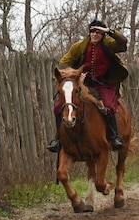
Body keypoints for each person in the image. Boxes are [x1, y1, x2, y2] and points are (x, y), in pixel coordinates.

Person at [47, 19, 129, 152]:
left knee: (108, 106)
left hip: (104, 83)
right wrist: (75, 75)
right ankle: (58, 140)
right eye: (92, 32)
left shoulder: (108, 44)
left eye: (98, 32)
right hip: (82, 83)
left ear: (102, 34)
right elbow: (63, 63)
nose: (94, 34)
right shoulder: (79, 47)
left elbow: (123, 43)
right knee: (58, 107)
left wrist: (110, 31)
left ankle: (114, 137)